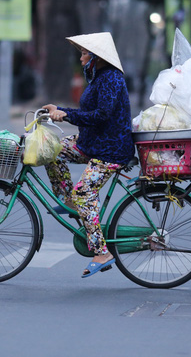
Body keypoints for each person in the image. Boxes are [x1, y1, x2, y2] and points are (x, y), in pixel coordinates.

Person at [42, 32, 135, 278]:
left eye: (84, 54)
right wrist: (58, 109)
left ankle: (102, 252)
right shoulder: (98, 78)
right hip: (92, 144)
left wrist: (67, 115)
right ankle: (68, 200)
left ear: (97, 58)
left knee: (85, 193)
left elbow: (101, 116)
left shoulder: (112, 79)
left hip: (111, 151)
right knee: (53, 150)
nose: (81, 59)